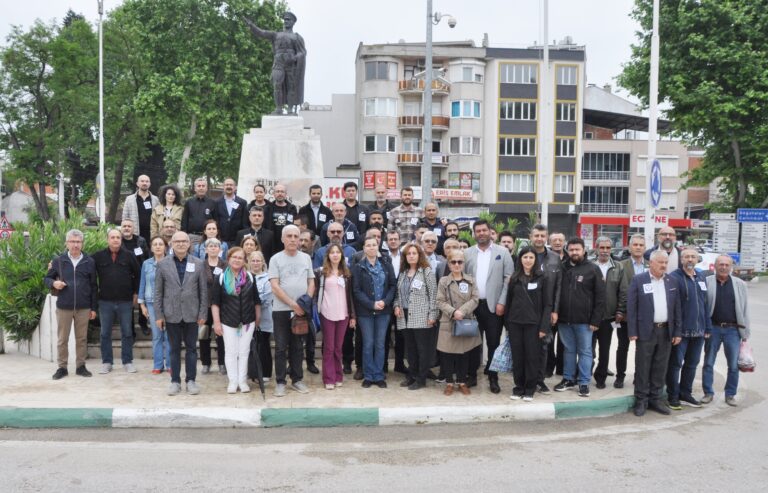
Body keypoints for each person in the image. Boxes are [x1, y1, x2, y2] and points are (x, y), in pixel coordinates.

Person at [627, 250, 682, 416]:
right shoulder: (639, 280)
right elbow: (631, 307)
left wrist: (677, 332)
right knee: (643, 366)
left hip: (666, 331)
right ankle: (641, 400)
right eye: (660, 262)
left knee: (660, 366)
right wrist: (632, 331)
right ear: (650, 263)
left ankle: (655, 399)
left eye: (665, 262)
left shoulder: (672, 281)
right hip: (646, 331)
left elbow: (677, 309)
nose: (664, 265)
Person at [463, 219, 514, 392]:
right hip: (473, 306)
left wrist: (502, 302)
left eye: (484, 230)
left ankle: (493, 377)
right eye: (478, 231)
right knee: (472, 343)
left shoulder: (502, 252)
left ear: (490, 232)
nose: (481, 233)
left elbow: (509, 279)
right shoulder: (468, 253)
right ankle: (471, 376)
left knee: (493, 343)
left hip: (494, 306)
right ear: (474, 234)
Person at [154, 232, 208, 396]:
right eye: (177, 241)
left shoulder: (198, 263)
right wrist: (159, 315)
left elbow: (203, 291)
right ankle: (175, 381)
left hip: (192, 313)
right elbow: (158, 292)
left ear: (189, 244)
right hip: (171, 314)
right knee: (174, 349)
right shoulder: (163, 264)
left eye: (184, 241)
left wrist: (203, 313)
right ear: (171, 243)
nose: (181, 244)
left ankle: (191, 380)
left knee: (192, 349)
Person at [554, 237, 605, 397]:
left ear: (584, 250)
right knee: (568, 350)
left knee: (585, 351)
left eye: (577, 249)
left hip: (585, 321)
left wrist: (596, 319)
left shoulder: (593, 269)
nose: (574, 252)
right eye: (571, 249)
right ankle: (568, 379)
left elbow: (600, 296)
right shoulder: (562, 268)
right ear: (567, 251)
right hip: (564, 320)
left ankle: (583, 382)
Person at [269, 225, 315, 397]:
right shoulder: (275, 259)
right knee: (281, 347)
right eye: (289, 236)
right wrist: (292, 304)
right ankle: (280, 382)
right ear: (282, 239)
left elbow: (311, 282)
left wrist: (305, 303)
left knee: (297, 347)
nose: (293, 239)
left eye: (296, 236)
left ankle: (297, 380)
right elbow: (275, 286)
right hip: (281, 310)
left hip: (300, 312)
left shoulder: (306, 259)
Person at [45, 229, 97, 380]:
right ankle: (62, 367)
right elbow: (47, 279)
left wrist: (93, 308)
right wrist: (54, 282)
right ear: (67, 243)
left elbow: (94, 286)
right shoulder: (58, 261)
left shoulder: (89, 261)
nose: (75, 244)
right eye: (72, 241)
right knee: (62, 339)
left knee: (81, 339)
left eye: (78, 242)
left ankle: (81, 366)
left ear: (82, 243)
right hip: (64, 307)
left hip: (83, 307)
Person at [504, 246, 552, 401]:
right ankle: (519, 387)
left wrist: (544, 327)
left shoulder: (542, 277)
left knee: (532, 357)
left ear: (535, 260)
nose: (528, 260)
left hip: (534, 325)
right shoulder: (514, 278)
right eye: (525, 257)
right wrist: (507, 324)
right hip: (515, 323)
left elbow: (547, 305)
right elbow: (508, 302)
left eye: (531, 257)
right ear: (520, 259)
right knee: (518, 357)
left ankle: (530, 388)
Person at [211, 247, 262, 394]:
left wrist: (257, 318)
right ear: (229, 258)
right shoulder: (220, 278)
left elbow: (256, 301)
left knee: (244, 352)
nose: (237, 260)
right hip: (228, 321)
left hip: (247, 322)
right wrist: (217, 322)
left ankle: (242, 381)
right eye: (234, 257)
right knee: (231, 352)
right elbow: (215, 303)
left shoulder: (250, 277)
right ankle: (233, 381)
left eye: (240, 258)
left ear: (244, 260)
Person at [702, 255, 750, 407]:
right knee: (708, 363)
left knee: (733, 365)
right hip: (713, 329)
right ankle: (708, 393)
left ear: (731, 267)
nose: (723, 267)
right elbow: (703, 306)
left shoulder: (740, 284)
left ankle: (730, 394)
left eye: (726, 265)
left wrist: (745, 333)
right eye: (720, 264)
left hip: (733, 330)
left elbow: (744, 309)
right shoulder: (707, 282)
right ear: (714, 266)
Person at [666, 247, 711, 409]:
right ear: (681, 260)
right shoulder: (674, 277)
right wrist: (676, 331)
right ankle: (673, 395)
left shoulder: (701, 277)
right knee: (675, 364)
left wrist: (707, 327)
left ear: (697, 259)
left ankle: (685, 392)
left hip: (699, 331)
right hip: (681, 332)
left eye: (693, 257)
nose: (690, 259)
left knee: (692, 364)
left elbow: (705, 303)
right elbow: (672, 307)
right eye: (687, 257)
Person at [93, 229, 141, 375]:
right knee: (105, 333)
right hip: (105, 301)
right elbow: (83, 264)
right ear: (107, 239)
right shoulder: (98, 256)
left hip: (125, 301)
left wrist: (136, 293)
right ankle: (107, 362)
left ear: (121, 240)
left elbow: (138, 275)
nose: (115, 240)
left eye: (118, 237)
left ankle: (127, 362)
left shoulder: (129, 256)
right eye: (112, 237)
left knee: (127, 332)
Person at [354, 237, 398, 388]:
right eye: (368, 245)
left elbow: (393, 285)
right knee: (368, 344)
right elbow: (356, 291)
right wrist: (371, 304)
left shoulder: (386, 264)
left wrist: (385, 302)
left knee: (379, 344)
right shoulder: (358, 267)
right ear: (364, 248)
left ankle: (378, 376)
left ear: (378, 247)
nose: (372, 247)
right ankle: (368, 376)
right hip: (365, 312)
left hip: (384, 311)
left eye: (374, 245)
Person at [394, 243, 438, 390]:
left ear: (419, 255)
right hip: (404, 315)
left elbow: (433, 295)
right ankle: (412, 375)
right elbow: (397, 295)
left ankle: (421, 378)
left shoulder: (426, 272)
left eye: (414, 253)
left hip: (422, 315)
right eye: (408, 254)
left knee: (422, 349)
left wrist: (433, 314)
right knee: (410, 348)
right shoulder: (402, 273)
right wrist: (396, 306)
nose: (411, 256)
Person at [243, 11, 305, 115]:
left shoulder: (297, 37)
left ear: (293, 22)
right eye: (285, 19)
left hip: (290, 65)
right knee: (277, 85)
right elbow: (261, 33)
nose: (286, 21)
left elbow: (302, 53)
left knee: (291, 86)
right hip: (278, 64)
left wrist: (294, 58)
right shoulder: (275, 35)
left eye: (288, 20)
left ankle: (290, 109)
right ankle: (278, 108)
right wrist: (251, 25)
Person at [436, 250, 480, 396]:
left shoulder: (471, 280)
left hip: (465, 321)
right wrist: (454, 312)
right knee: (447, 354)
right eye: (453, 262)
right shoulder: (444, 281)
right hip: (449, 321)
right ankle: (449, 382)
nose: (456, 264)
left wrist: (462, 311)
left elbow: (475, 299)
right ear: (448, 263)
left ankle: (461, 381)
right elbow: (439, 301)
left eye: (459, 262)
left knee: (464, 353)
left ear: (463, 263)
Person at [316, 244, 356, 390]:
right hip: (327, 313)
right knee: (329, 348)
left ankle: (338, 376)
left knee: (338, 348)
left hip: (343, 314)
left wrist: (352, 315)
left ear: (341, 255)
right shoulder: (321, 273)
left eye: (337, 252)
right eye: (332, 252)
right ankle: (328, 378)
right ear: (328, 255)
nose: (335, 255)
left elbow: (350, 296)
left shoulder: (346, 273)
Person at [591, 236, 627, 389]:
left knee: (604, 350)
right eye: (602, 248)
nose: (605, 251)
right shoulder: (590, 265)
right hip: (590, 317)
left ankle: (601, 377)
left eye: (608, 248)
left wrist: (620, 311)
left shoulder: (618, 267)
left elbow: (623, 291)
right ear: (596, 248)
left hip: (609, 317)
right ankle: (585, 374)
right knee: (588, 350)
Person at [530, 224, 562, 390]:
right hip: (528, 308)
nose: (539, 239)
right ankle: (529, 377)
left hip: (546, 309)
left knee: (544, 345)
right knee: (529, 345)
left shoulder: (555, 258)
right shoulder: (525, 255)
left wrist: (555, 310)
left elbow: (558, 286)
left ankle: (540, 379)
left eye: (542, 235)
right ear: (531, 237)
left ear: (547, 237)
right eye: (536, 235)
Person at [138, 236, 171, 374]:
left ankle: (170, 364)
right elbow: (142, 284)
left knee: (169, 335)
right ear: (151, 248)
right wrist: (142, 305)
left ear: (165, 247)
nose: (158, 246)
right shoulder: (146, 264)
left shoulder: (171, 262)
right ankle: (158, 365)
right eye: (155, 244)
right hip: (151, 303)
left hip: (169, 302)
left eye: (161, 244)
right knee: (157, 335)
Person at [199, 237, 227, 376]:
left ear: (220, 249)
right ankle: (206, 363)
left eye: (216, 246)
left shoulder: (225, 265)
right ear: (206, 249)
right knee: (204, 336)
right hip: (204, 306)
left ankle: (222, 363)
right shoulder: (200, 265)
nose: (213, 248)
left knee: (221, 336)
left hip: (221, 306)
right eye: (210, 246)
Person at [121, 218, 150, 335]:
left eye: (129, 226)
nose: (127, 228)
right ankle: (131, 330)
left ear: (133, 228)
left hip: (140, 276)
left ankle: (143, 324)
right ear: (121, 229)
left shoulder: (141, 241)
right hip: (125, 278)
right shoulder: (119, 241)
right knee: (128, 306)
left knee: (143, 301)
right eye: (124, 226)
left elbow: (147, 257)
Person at [384, 229, 406, 373]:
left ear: (399, 241)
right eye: (390, 239)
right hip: (386, 300)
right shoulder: (382, 257)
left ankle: (399, 364)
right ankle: (383, 365)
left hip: (402, 300)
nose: (393, 241)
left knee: (401, 335)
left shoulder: (405, 256)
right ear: (386, 242)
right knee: (384, 335)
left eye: (395, 239)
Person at [250, 251, 273, 383]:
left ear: (263, 262)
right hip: (247, 318)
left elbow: (266, 299)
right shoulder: (245, 276)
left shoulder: (268, 278)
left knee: (263, 345)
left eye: (258, 261)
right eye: (253, 260)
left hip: (264, 318)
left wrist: (250, 303)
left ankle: (266, 372)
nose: (255, 263)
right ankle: (252, 371)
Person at [181, 177, 217, 250]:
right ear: (195, 188)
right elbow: (184, 220)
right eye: (199, 186)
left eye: (203, 186)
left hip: (208, 237)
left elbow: (215, 220)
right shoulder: (189, 202)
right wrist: (185, 235)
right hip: (192, 236)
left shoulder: (212, 203)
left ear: (206, 188)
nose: (201, 188)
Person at [122, 174, 159, 244]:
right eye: (142, 181)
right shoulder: (129, 199)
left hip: (151, 235)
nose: (144, 183)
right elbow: (125, 218)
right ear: (137, 183)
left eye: (147, 181)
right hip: (135, 234)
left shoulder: (155, 199)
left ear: (150, 184)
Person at [214, 177, 249, 248]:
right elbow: (215, 220)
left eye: (231, 185)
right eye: (227, 185)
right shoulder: (216, 202)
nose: (229, 186)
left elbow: (245, 222)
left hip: (237, 239)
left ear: (235, 187)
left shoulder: (242, 202)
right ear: (223, 187)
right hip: (221, 239)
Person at [268, 183, 298, 253]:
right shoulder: (268, 208)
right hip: (272, 243)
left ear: (285, 194)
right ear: (274, 194)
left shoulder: (292, 208)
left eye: (282, 191)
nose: (280, 194)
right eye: (277, 191)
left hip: (288, 242)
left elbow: (295, 224)